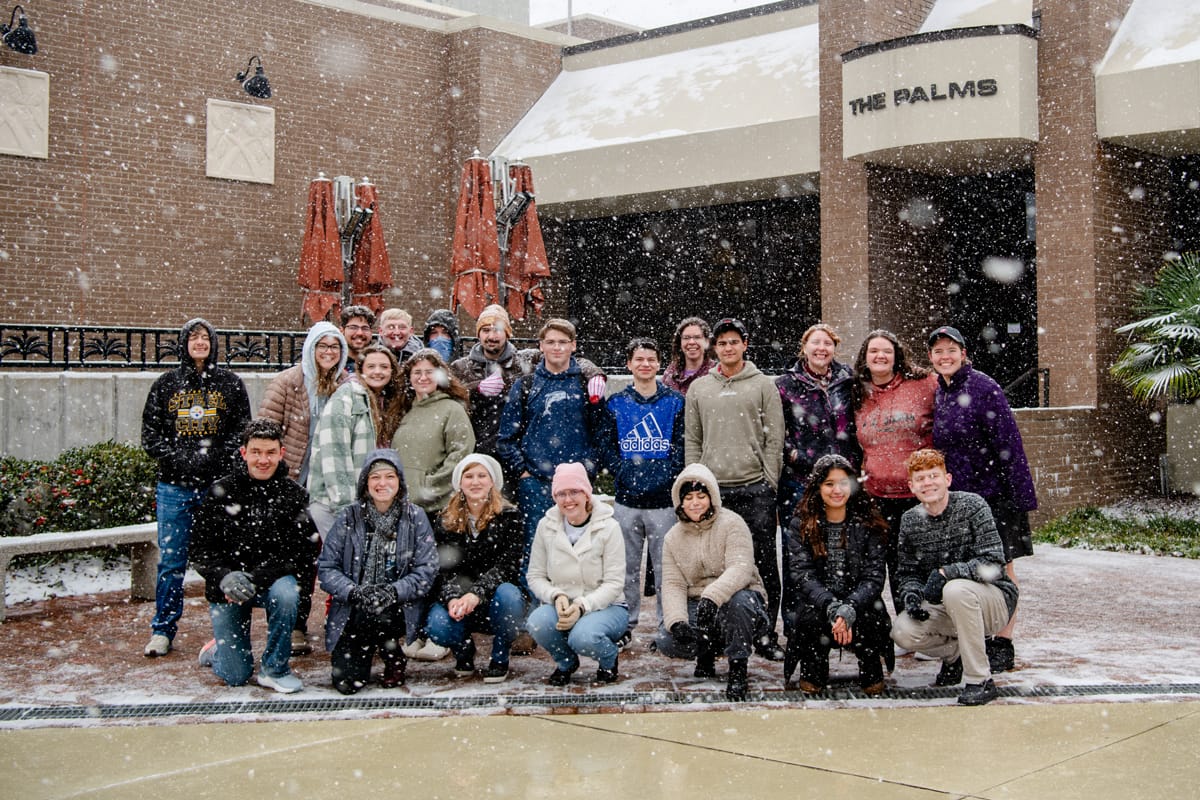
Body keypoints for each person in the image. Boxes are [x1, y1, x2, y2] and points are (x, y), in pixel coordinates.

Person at [140, 318, 251, 657]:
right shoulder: (166, 384)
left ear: (214, 344)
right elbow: (150, 436)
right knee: (172, 563)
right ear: (183, 343)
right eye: (193, 337)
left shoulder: (230, 383)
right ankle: (163, 629)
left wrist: (215, 458)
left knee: (224, 559)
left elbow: (241, 431)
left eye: (205, 338)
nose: (200, 343)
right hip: (175, 488)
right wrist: (181, 460)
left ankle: (226, 628)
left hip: (218, 489)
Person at [928, 325, 1035, 673]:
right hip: (959, 500)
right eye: (938, 351)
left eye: (951, 350)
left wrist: (1018, 497)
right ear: (931, 358)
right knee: (968, 573)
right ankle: (969, 643)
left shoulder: (984, 388)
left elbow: (1010, 444)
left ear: (964, 353)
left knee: (1003, 567)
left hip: (996, 496)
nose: (945, 357)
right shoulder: (940, 392)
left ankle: (1003, 640)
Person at [191, 419, 319, 693]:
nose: (263, 459)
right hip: (227, 588)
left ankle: (275, 668)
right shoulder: (220, 492)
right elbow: (200, 549)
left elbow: (302, 553)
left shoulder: (293, 495)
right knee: (236, 675)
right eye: (256, 452)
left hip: (271, 582)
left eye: (271, 452)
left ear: (281, 453)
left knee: (287, 592)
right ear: (244, 453)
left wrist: (256, 578)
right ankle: (218, 652)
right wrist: (225, 577)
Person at [684, 316, 785, 660]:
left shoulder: (763, 385)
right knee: (714, 563)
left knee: (763, 562)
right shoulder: (700, 388)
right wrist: (694, 481)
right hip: (714, 491)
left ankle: (766, 632)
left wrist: (768, 482)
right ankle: (717, 632)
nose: (728, 347)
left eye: (734, 342)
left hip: (754, 488)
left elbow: (775, 438)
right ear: (715, 348)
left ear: (745, 344)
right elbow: (693, 438)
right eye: (722, 342)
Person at [891, 448, 1018, 706]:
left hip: (992, 601)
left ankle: (980, 680)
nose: (928, 483)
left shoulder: (973, 506)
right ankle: (955, 655)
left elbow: (994, 564)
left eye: (934, 475)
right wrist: (912, 595)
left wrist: (948, 573)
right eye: (921, 478)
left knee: (955, 589)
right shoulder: (910, 520)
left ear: (947, 479)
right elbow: (907, 572)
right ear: (911, 486)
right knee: (903, 631)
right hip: (947, 607)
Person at [258, 321, 349, 655]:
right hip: (293, 484)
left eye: (334, 347)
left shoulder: (345, 384)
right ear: (311, 349)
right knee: (296, 557)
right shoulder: (288, 382)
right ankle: (294, 624)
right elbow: (267, 432)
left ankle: (338, 619)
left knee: (331, 556)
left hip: (328, 487)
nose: (328, 352)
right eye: (322, 346)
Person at [318, 449, 438, 694]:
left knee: (382, 612)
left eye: (389, 476)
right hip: (355, 607)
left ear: (399, 482)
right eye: (375, 477)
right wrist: (353, 591)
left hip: (398, 605)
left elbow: (427, 569)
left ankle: (392, 653)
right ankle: (362, 655)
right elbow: (327, 567)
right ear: (365, 483)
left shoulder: (415, 516)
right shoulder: (348, 517)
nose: (382, 483)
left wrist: (393, 591)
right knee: (347, 683)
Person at [497, 318, 607, 575]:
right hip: (535, 482)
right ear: (541, 346)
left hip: (576, 486)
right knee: (536, 550)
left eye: (563, 342)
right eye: (551, 342)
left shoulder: (584, 384)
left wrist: (588, 468)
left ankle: (578, 607)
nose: (557, 347)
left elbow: (601, 433)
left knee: (580, 550)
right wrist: (523, 472)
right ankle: (538, 608)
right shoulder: (525, 385)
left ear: (573, 346)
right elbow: (506, 437)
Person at [596, 337, 685, 646]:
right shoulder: (616, 403)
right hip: (626, 500)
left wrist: (665, 475)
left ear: (659, 364)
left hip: (663, 502)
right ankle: (625, 625)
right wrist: (625, 471)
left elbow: (682, 447)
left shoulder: (675, 402)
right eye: (639, 359)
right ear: (629, 364)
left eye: (651, 359)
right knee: (625, 570)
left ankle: (667, 626)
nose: (645, 364)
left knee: (666, 571)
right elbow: (606, 447)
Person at [656, 463, 769, 702]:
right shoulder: (672, 538)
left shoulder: (732, 524)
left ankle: (738, 666)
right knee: (667, 639)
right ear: (680, 501)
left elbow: (740, 568)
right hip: (698, 602)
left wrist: (712, 596)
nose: (695, 503)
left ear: (712, 497)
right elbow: (673, 584)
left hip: (740, 596)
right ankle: (705, 650)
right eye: (688, 497)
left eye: (701, 496)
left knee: (738, 605)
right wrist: (677, 621)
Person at [784, 454, 890, 696]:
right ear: (818, 487)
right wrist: (832, 605)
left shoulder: (869, 521)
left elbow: (873, 578)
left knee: (872, 613)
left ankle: (871, 669)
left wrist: (850, 606)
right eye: (829, 484)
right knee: (808, 616)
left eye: (843, 483)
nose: (837, 490)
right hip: (819, 603)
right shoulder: (801, 523)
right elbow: (802, 575)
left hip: (859, 602)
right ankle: (813, 671)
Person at [851, 329, 936, 605]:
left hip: (919, 493)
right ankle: (908, 628)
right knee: (891, 564)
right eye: (873, 351)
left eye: (886, 350)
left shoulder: (923, 385)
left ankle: (934, 628)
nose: (880, 356)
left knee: (923, 561)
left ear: (897, 355)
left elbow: (953, 390)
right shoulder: (857, 392)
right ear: (865, 357)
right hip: (877, 495)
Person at [424, 454, 525, 683]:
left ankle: (500, 656)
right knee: (437, 625)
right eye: (468, 476)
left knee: (510, 596)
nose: (475, 482)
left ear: (492, 481)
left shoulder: (510, 517)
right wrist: (452, 598)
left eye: (482, 475)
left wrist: (477, 593)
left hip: (495, 599)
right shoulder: (445, 520)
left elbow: (507, 566)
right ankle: (463, 652)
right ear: (460, 483)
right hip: (460, 601)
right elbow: (441, 568)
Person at [525, 462, 627, 686]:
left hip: (606, 606)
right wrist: (555, 595)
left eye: (574, 492)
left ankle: (609, 659)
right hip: (561, 604)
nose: (568, 499)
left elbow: (614, 583)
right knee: (537, 623)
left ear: (586, 493)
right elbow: (535, 575)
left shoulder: (609, 527)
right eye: (561, 493)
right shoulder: (546, 526)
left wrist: (582, 605)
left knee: (583, 637)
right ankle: (566, 662)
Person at [307, 344, 404, 536]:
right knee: (344, 561)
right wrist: (346, 507)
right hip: (334, 503)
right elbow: (334, 453)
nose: (378, 371)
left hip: (366, 503)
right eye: (371, 366)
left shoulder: (384, 400)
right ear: (360, 370)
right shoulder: (346, 398)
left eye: (384, 367)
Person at [775, 323, 860, 523]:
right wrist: (795, 455)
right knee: (801, 540)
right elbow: (775, 431)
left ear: (834, 349)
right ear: (804, 347)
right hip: (802, 479)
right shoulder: (785, 385)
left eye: (827, 343)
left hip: (843, 477)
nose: (821, 348)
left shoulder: (848, 380)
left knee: (842, 540)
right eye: (815, 342)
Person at [449, 304, 534, 469]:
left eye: (498, 330)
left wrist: (595, 373)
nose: (492, 336)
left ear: (507, 334)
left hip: (514, 452)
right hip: (474, 450)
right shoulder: (460, 367)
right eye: (486, 330)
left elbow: (562, 357)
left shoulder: (525, 363)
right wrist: (476, 389)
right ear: (478, 334)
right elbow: (449, 397)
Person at [391, 348, 475, 514]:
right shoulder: (403, 411)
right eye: (417, 372)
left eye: (429, 372)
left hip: (436, 508)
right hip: (401, 505)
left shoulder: (452, 409)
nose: (423, 377)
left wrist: (429, 487)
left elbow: (460, 454)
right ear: (409, 377)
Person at [662, 316, 716, 396]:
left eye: (697, 337)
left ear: (707, 341)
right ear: (680, 342)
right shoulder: (670, 374)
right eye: (686, 338)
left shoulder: (716, 372)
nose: (691, 342)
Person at [339, 305, 377, 372]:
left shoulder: (379, 361)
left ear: (371, 332)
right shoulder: (334, 362)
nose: (360, 333)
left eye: (365, 328)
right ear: (342, 330)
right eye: (353, 327)